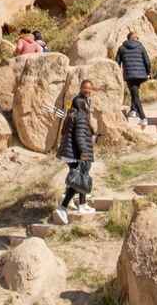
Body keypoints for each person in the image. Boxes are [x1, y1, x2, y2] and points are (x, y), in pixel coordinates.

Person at [54, 79, 98, 224]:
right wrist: (84, 152)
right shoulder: (80, 114)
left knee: (81, 176)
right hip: (76, 153)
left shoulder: (74, 112)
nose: (88, 91)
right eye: (85, 88)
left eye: (90, 88)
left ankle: (82, 205)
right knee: (78, 179)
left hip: (72, 152)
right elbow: (79, 136)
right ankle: (63, 207)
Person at [115, 31, 151, 121]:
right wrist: (148, 72)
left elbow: (117, 63)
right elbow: (147, 61)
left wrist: (117, 75)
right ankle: (134, 111)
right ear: (134, 38)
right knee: (135, 93)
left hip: (129, 75)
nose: (137, 39)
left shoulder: (121, 48)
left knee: (135, 95)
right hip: (141, 75)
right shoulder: (141, 47)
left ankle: (142, 117)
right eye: (137, 38)